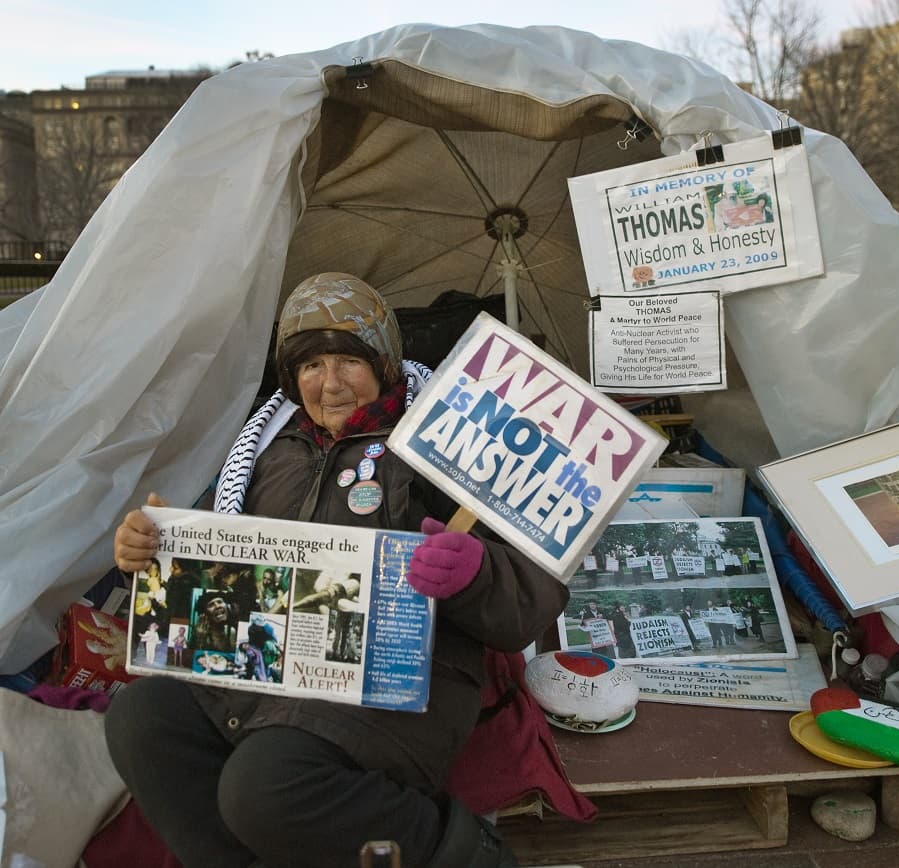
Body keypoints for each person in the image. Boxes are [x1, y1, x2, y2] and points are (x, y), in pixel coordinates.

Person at [107, 272, 568, 868]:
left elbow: (531, 598)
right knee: (141, 720)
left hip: (396, 678)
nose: (328, 384)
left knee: (262, 784)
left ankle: (467, 856)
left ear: (383, 360)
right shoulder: (269, 449)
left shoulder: (447, 440)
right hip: (271, 666)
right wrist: (147, 552)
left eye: (347, 360)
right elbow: (211, 561)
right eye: (310, 365)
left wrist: (474, 573)